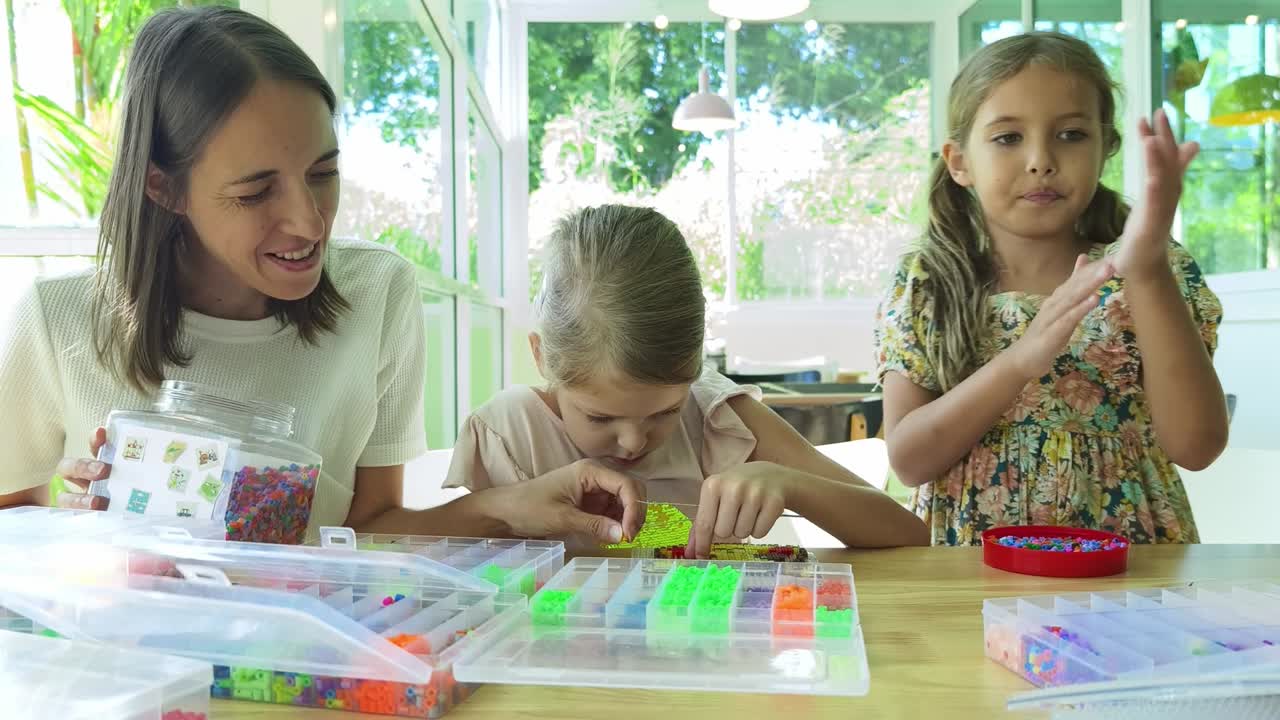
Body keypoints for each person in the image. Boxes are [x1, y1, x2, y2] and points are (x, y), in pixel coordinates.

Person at [0, 6, 644, 545]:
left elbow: (373, 527)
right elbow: (17, 550)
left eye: (323, 173)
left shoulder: (376, 294)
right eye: (256, 193)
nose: (309, 223)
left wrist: (511, 506)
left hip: (309, 662)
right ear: (163, 188)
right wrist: (74, 531)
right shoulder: (58, 322)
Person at [874, 32, 1228, 546]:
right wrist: (1020, 359)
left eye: (1071, 135)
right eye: (1008, 138)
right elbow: (909, 460)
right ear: (959, 162)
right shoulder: (928, 280)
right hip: (972, 574)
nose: (1040, 159)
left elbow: (1197, 447)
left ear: (1106, 146)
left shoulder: (1155, 269)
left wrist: (1147, 268)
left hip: (1132, 578)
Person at [444, 204, 929, 556]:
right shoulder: (508, 434)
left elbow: (908, 532)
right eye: (600, 416)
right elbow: (449, 561)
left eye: (665, 412)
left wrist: (790, 483)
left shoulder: (719, 417)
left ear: (696, 366)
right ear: (543, 358)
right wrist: (506, 508)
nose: (634, 442)